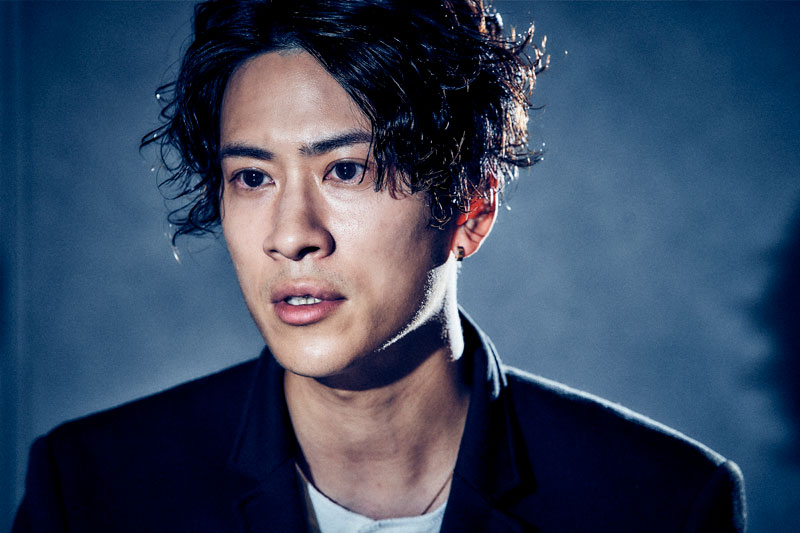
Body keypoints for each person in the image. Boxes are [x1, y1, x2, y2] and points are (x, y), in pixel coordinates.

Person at [13, 0, 746, 531]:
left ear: (472, 208)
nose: (291, 236)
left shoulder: (662, 502)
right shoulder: (93, 491)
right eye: (253, 177)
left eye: (346, 170)